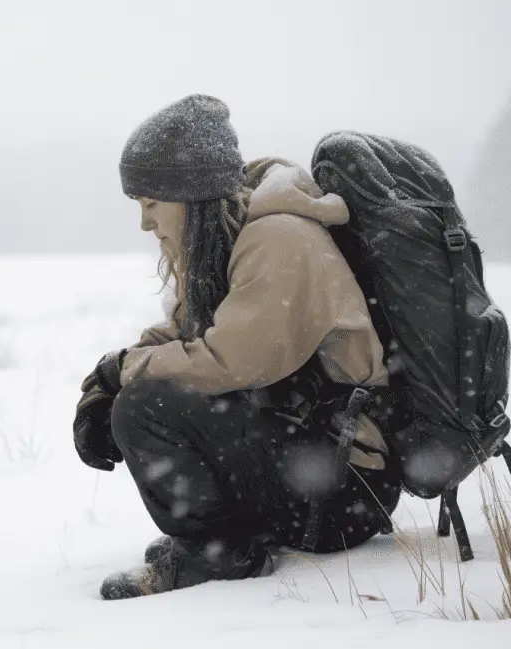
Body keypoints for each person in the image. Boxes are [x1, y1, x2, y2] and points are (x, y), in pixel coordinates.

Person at [73, 94, 402, 600]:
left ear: (189, 194)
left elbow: (227, 362)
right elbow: (184, 334)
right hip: (313, 468)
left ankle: (219, 553)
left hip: (344, 492)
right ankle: (217, 539)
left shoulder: (280, 241)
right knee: (137, 393)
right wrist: (106, 376)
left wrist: (126, 376)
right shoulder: (236, 240)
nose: (144, 222)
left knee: (145, 405)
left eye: (151, 203)